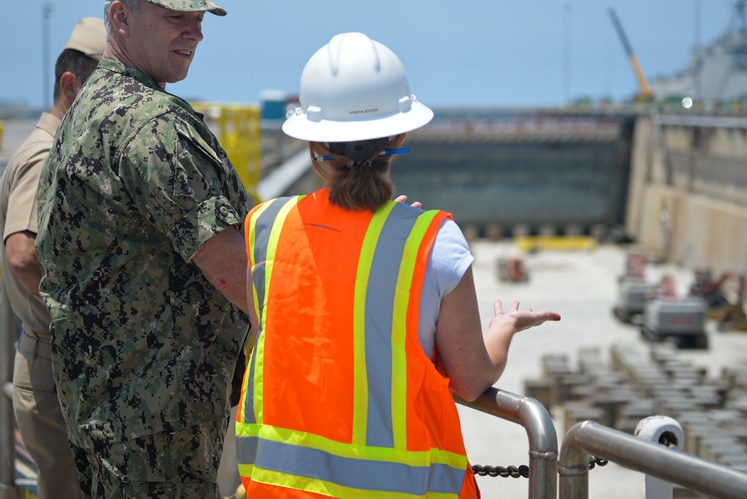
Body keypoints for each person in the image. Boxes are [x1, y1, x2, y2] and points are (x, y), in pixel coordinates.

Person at [235, 32, 560, 498]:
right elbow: (469, 380)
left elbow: (295, 338)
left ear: (312, 143)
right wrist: (504, 327)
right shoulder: (434, 241)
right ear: (401, 136)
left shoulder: (264, 226)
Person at [35, 0, 252, 497]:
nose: (195, 33)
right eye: (176, 17)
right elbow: (234, 271)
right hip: (159, 428)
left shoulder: (87, 109)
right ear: (121, 19)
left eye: (199, 19)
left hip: (111, 411)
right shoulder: (149, 123)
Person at [0, 17, 105, 498]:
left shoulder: (59, 148)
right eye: (102, 90)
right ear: (70, 84)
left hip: (56, 362)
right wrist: (84, 317)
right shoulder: (46, 154)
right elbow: (21, 255)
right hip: (55, 363)